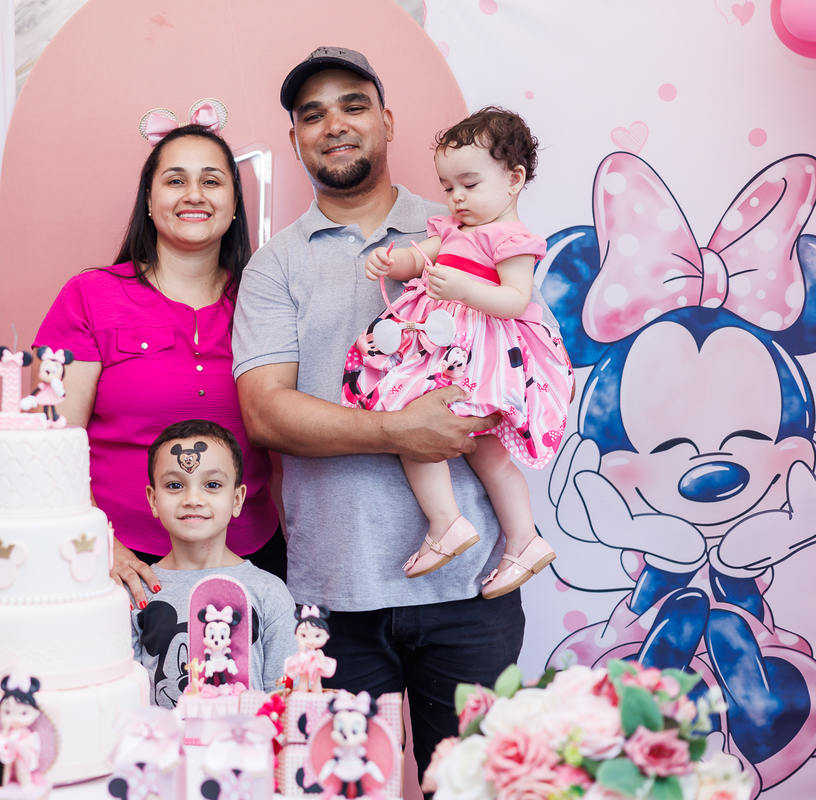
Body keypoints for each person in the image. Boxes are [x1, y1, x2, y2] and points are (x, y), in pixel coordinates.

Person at [231, 46, 561, 787]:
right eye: (312, 114)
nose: (334, 124)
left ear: (386, 121)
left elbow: (516, 349)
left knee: (473, 787)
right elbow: (266, 414)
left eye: (353, 105)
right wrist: (399, 430)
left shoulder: (462, 219)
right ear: (294, 138)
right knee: (347, 789)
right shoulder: (275, 265)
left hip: (470, 593)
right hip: (334, 592)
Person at [34, 123, 283, 611]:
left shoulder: (267, 300)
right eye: (175, 180)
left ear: (235, 203)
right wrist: (98, 543)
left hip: (251, 561)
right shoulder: (88, 296)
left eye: (211, 181)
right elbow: (50, 444)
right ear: (149, 200)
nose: (194, 194)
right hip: (118, 567)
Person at [346, 108, 569, 593]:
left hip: (479, 355)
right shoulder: (452, 229)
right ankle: (515, 538)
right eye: (448, 187)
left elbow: (516, 300)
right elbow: (417, 259)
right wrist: (390, 261)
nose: (457, 198)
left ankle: (459, 524)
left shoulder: (512, 239)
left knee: (418, 424)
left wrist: (465, 289)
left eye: (469, 184)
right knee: (451, 440)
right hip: (445, 348)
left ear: (513, 180)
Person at [129, 419, 296, 709]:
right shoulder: (136, 593)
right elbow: (126, 697)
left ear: (237, 499)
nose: (193, 499)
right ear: (153, 500)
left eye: (212, 485)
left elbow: (284, 698)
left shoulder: (269, 592)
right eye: (175, 485)